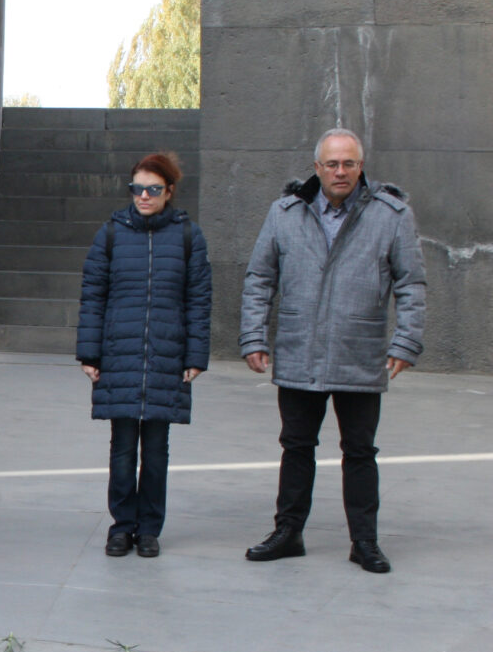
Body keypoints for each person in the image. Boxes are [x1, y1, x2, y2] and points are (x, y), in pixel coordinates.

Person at [240, 128, 426, 573]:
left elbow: (411, 283)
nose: (340, 172)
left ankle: (364, 542)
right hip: (298, 350)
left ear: (361, 166)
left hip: (359, 353)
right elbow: (259, 278)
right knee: (296, 446)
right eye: (331, 164)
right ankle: (288, 532)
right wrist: (253, 336)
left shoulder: (391, 215)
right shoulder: (285, 213)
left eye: (349, 163)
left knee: (360, 451)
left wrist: (406, 341)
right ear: (317, 167)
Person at [76, 152, 212, 557]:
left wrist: (195, 356)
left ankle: (149, 529)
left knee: (155, 451)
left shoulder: (189, 236)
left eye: (153, 189)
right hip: (120, 354)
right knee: (122, 448)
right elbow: (92, 296)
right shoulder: (111, 233)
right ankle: (121, 526)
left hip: (166, 357)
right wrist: (90, 352)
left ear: (169, 191)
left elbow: (199, 300)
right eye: (137, 188)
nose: (144, 196)